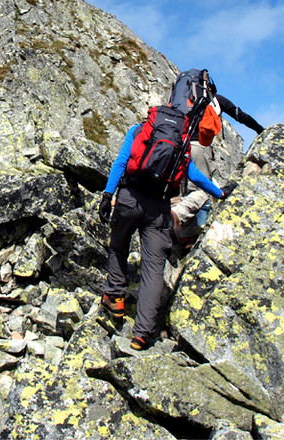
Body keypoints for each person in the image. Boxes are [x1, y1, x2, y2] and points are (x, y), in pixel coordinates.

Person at [99, 113, 234, 351]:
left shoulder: (139, 130)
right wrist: (219, 193)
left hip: (130, 198)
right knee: (153, 269)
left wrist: (108, 194)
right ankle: (141, 334)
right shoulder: (181, 144)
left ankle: (116, 298)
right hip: (160, 208)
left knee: (119, 246)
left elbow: (121, 162)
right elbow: (193, 175)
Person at [171, 88, 263, 246]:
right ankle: (178, 220)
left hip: (178, 147)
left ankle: (182, 234)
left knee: (184, 191)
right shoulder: (214, 99)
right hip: (198, 146)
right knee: (202, 191)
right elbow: (239, 115)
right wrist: (259, 129)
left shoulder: (182, 101)